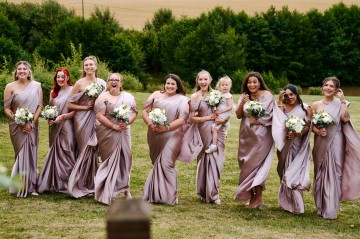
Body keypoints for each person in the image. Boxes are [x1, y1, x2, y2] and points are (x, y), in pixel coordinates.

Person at [311, 76, 360, 219]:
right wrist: (318, 131)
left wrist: (343, 100)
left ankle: (330, 208)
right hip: (321, 140)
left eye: (331, 86)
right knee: (320, 171)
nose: (328, 88)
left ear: (336, 89)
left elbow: (345, 119)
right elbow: (312, 126)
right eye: (326, 85)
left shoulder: (341, 103)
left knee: (336, 172)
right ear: (322, 88)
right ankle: (321, 206)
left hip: (337, 140)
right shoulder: (315, 105)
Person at [181, 70, 227, 204]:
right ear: (197, 81)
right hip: (203, 130)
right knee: (205, 160)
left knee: (217, 161)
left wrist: (223, 120)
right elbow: (191, 118)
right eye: (200, 79)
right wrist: (208, 118)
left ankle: (213, 193)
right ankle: (204, 192)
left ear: (210, 80)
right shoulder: (195, 96)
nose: (203, 82)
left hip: (218, 130)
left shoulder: (217, 94)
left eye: (205, 79)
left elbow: (227, 111)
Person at [142, 74, 189, 205]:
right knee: (156, 162)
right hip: (154, 133)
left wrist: (166, 128)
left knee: (167, 163)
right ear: (164, 84)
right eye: (167, 83)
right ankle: (156, 194)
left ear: (177, 86)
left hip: (173, 133)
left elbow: (182, 119)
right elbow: (145, 111)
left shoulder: (183, 99)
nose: (169, 86)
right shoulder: (155, 94)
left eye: (173, 84)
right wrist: (151, 125)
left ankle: (171, 196)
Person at [94, 73, 138, 204]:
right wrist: (113, 126)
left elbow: (135, 112)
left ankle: (126, 190)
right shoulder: (102, 97)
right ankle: (107, 190)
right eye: (111, 80)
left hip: (124, 132)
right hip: (107, 132)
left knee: (125, 158)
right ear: (108, 83)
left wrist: (128, 122)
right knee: (109, 160)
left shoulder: (128, 97)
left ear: (121, 83)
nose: (114, 82)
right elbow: (99, 116)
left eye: (116, 80)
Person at [67, 56, 106, 198]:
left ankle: (94, 183)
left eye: (91, 64)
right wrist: (84, 107)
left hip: (98, 118)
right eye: (86, 65)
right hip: (82, 119)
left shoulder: (102, 82)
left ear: (96, 66)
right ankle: (80, 183)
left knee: (96, 150)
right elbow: (69, 104)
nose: (89, 67)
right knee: (85, 149)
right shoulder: (79, 83)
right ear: (83, 68)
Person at [234, 72, 275, 208]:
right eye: (249, 82)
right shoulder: (244, 96)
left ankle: (258, 198)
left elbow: (270, 114)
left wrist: (258, 119)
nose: (252, 84)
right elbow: (239, 115)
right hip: (246, 135)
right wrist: (243, 103)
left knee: (256, 167)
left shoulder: (267, 95)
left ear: (259, 83)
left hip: (262, 136)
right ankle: (251, 196)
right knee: (245, 165)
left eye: (254, 82)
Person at [3, 60, 43, 197]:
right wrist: (19, 121)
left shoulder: (37, 86)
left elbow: (39, 107)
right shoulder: (10, 86)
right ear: (16, 71)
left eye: (24, 69)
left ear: (28, 71)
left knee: (32, 153)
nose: (21, 71)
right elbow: (6, 109)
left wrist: (31, 122)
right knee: (20, 154)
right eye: (19, 69)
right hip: (16, 126)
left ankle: (32, 186)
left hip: (32, 125)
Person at [272, 84, 312, 214]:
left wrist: (298, 133)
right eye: (286, 95)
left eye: (292, 94)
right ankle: (286, 203)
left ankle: (298, 206)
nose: (289, 97)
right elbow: (276, 121)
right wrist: (279, 101)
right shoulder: (282, 108)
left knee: (294, 174)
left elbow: (308, 126)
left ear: (296, 94)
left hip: (298, 145)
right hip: (284, 144)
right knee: (283, 170)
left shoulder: (305, 108)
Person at [37, 67, 76, 193]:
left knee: (67, 150)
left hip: (67, 125)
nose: (60, 79)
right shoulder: (53, 91)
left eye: (62, 76)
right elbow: (50, 108)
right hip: (54, 125)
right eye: (58, 76)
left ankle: (68, 182)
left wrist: (64, 116)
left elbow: (75, 111)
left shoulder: (72, 90)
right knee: (55, 151)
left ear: (67, 77)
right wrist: (49, 118)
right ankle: (55, 182)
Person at [205, 75, 233, 154]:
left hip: (224, 113)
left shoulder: (228, 95)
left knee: (214, 128)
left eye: (226, 85)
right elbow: (216, 103)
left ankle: (213, 146)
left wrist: (221, 111)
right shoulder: (219, 94)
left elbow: (230, 107)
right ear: (219, 86)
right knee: (217, 125)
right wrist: (214, 107)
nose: (225, 87)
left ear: (229, 86)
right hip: (220, 112)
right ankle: (225, 131)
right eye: (223, 85)